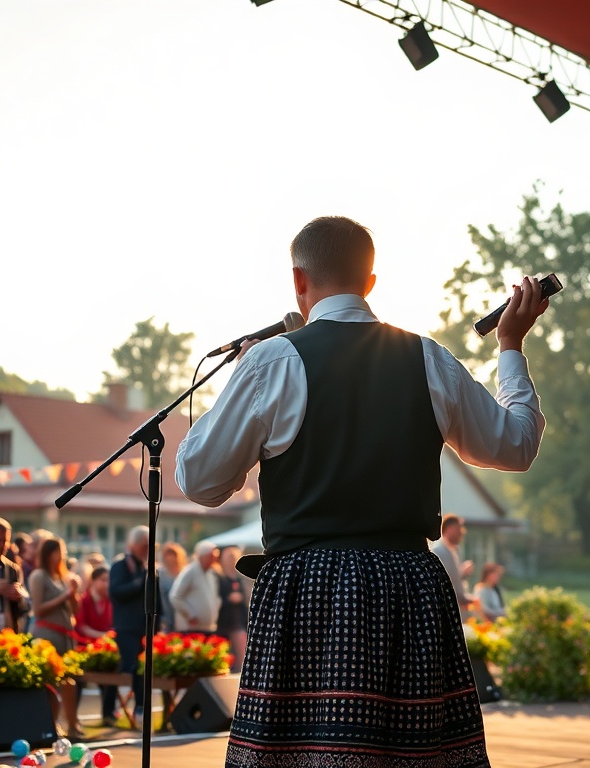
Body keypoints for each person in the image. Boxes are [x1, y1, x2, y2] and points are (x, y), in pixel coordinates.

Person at [175, 215, 548, 767]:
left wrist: (240, 386)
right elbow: (516, 445)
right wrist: (510, 346)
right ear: (370, 281)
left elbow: (200, 481)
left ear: (298, 281)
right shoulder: (427, 358)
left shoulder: (272, 362)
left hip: (307, 590)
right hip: (407, 588)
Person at [29, 536, 82, 738]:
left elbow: (74, 610)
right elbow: (38, 609)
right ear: (48, 553)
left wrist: (74, 593)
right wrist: (66, 595)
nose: (61, 556)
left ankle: (72, 723)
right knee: (50, 683)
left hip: (65, 636)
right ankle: (50, 725)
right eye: (57, 552)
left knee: (69, 681)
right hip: (46, 636)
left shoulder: (62, 577)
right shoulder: (39, 576)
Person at [109, 525, 152, 719]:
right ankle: (109, 710)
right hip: (126, 627)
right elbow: (116, 592)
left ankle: (141, 707)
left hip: (145, 627)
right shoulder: (120, 565)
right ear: (133, 545)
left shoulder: (148, 567)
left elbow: (155, 597)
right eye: (144, 545)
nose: (148, 550)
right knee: (126, 667)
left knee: (143, 669)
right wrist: (139, 582)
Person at [75, 566, 119, 727]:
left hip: (103, 648)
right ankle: (74, 717)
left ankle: (108, 714)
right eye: (103, 580)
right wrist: (103, 636)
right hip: (84, 648)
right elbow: (81, 626)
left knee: (113, 675)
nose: (107, 584)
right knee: (77, 680)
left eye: (109, 580)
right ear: (93, 581)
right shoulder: (84, 600)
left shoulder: (110, 601)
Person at [431, 514, 479, 617]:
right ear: (450, 529)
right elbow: (445, 581)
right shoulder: (439, 551)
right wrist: (462, 598)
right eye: (458, 529)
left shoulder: (454, 551)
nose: (461, 533)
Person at [169, 539, 221, 634]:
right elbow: (175, 596)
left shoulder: (211, 574)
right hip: (190, 629)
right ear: (202, 556)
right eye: (211, 557)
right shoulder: (190, 572)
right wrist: (190, 615)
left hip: (207, 628)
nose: (214, 560)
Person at [215, 546, 249, 673]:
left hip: (238, 621)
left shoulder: (240, 579)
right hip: (222, 621)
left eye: (234, 557)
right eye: (229, 557)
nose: (232, 560)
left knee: (241, 653)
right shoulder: (219, 578)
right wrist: (228, 600)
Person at [158, 542, 187, 633]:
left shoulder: (184, 573)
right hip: (165, 612)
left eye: (173, 554)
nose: (170, 558)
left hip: (180, 613)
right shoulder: (160, 573)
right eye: (167, 555)